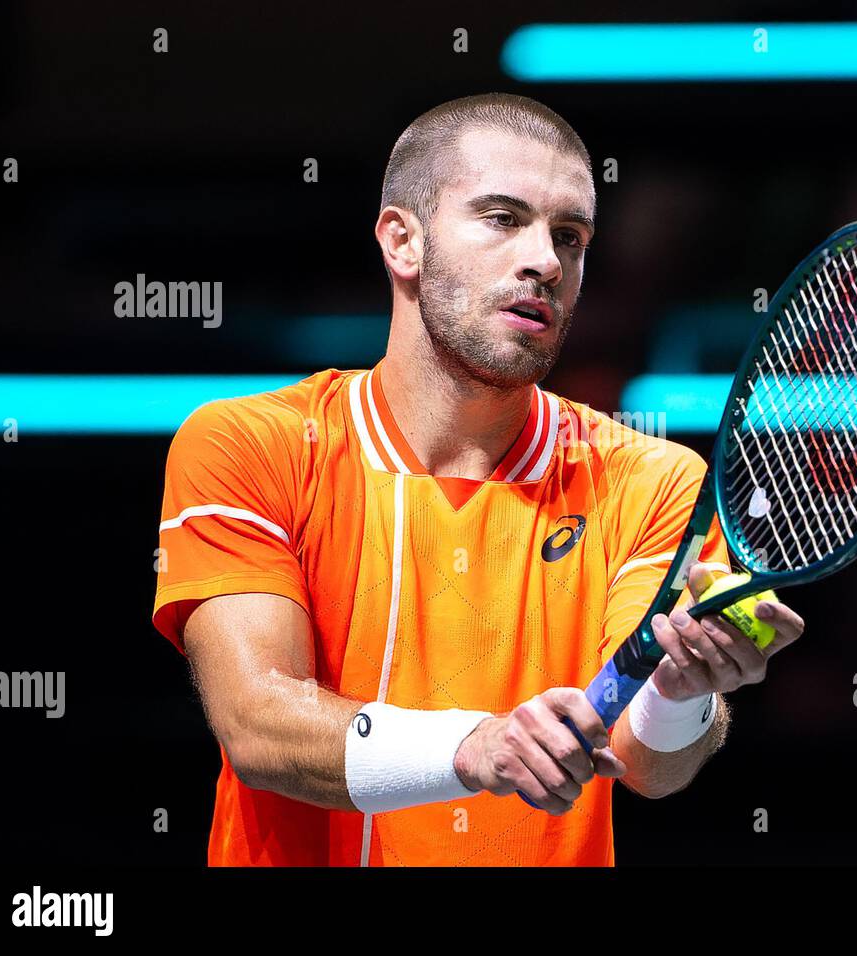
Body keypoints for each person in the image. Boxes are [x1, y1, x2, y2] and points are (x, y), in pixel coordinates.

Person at [152, 92, 804, 866]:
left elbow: (648, 763)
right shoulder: (251, 444)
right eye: (503, 219)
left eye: (571, 235)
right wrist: (476, 747)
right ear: (402, 241)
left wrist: (685, 688)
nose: (546, 261)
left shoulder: (651, 480)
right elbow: (258, 722)